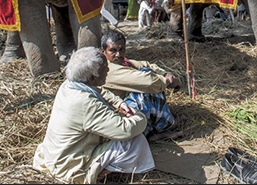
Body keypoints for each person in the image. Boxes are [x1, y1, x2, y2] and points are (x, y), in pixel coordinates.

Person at [33, 47, 154, 184]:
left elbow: (99, 90)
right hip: (70, 169)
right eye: (104, 68)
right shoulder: (86, 103)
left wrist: (118, 103)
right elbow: (126, 130)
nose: (108, 70)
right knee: (134, 141)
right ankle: (94, 175)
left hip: (55, 158)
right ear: (91, 77)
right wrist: (140, 116)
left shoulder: (68, 85)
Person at [100, 30, 183, 141]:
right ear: (103, 51)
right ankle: (156, 128)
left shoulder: (122, 62)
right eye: (113, 51)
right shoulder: (108, 69)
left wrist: (165, 74)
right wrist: (167, 81)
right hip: (116, 113)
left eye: (121, 49)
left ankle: (155, 127)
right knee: (145, 86)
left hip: (124, 106)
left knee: (146, 71)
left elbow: (144, 64)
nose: (118, 55)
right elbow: (148, 82)